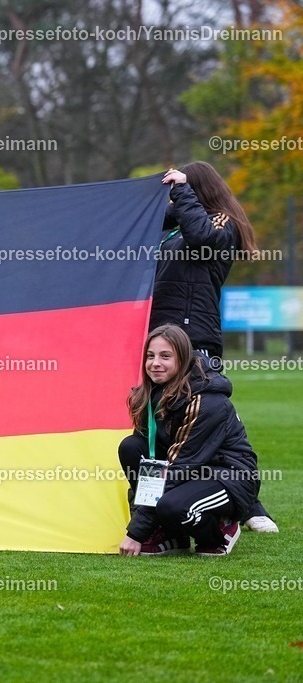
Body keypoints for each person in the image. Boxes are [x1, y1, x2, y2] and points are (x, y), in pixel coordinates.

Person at [153, 162, 277, 532]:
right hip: (164, 335)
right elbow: (148, 223)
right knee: (173, 419)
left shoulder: (222, 224)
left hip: (194, 337)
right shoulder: (178, 228)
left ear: (198, 188)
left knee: (210, 414)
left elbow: (202, 238)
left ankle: (248, 502)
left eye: (185, 187)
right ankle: (167, 496)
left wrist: (183, 188)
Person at [118, 325, 259, 557]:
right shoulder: (149, 394)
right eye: (150, 356)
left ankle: (219, 532)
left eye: (165, 356)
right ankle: (171, 535)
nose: (155, 363)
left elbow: (179, 467)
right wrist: (144, 524)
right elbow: (152, 461)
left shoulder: (206, 402)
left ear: (182, 359)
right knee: (132, 447)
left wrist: (135, 533)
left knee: (174, 507)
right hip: (187, 469)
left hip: (227, 476)